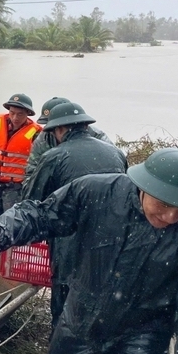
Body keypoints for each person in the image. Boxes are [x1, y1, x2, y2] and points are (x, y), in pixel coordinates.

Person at [0, 148, 178, 354]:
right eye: (164, 205)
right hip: (81, 320)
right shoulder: (98, 192)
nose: (170, 217)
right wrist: (1, 230)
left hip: (143, 334)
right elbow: (43, 213)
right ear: (144, 188)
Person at [20, 102, 128, 329]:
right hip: (112, 241)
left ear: (60, 130)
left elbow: (31, 199)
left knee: (65, 300)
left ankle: (60, 349)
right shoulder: (116, 153)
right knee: (102, 298)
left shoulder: (54, 156)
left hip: (70, 242)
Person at [24, 96, 113, 180]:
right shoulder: (43, 139)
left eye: (55, 125)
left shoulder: (97, 136)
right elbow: (32, 171)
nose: (52, 130)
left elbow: (112, 162)